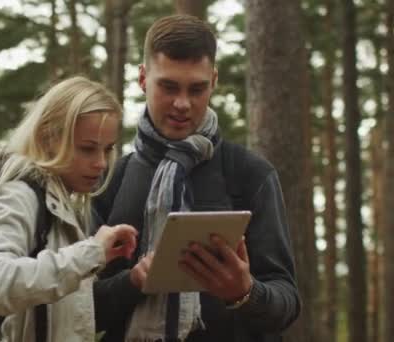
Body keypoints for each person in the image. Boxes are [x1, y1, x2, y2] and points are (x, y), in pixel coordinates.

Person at [93, 14, 300, 341]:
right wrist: (131, 282)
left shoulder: (250, 174)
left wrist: (244, 292)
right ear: (143, 78)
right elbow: (77, 309)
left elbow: (286, 304)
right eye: (169, 86)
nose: (182, 104)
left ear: (214, 80)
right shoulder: (108, 180)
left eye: (197, 89)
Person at [0, 76, 138, 341]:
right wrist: (90, 253)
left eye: (107, 150)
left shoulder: (55, 205)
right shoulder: (18, 196)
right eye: (87, 149)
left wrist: (130, 279)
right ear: (48, 137)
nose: (101, 163)